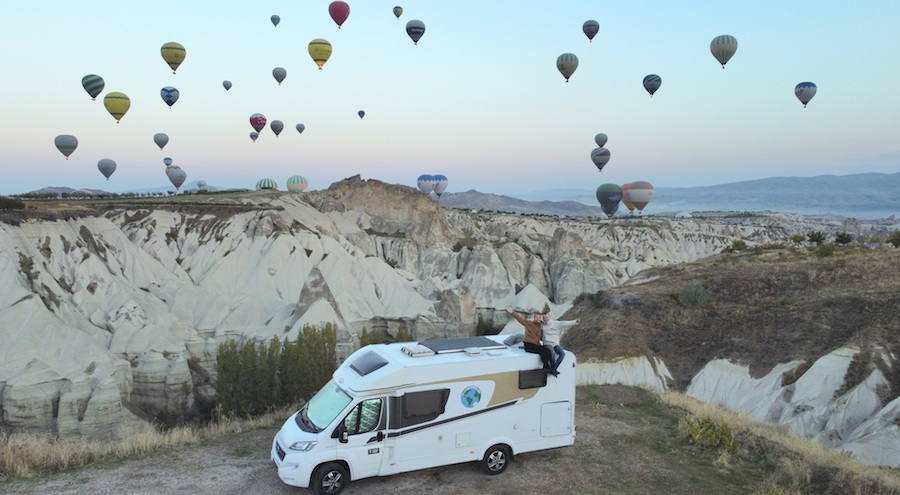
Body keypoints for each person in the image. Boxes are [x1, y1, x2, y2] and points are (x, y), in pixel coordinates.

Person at [505, 307, 556, 376]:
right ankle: (547, 367)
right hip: (528, 345)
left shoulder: (541, 326)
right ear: (534, 318)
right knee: (542, 351)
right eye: (536, 317)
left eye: (539, 317)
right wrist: (512, 312)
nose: (538, 319)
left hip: (536, 345)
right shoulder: (529, 324)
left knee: (548, 351)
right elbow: (520, 319)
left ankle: (547, 367)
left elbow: (544, 334)